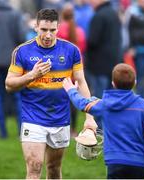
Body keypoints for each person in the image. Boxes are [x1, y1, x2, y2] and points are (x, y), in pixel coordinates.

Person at [5, 8, 97, 179]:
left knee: (54, 169)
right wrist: (32, 75)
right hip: (32, 117)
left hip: (60, 118)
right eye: (44, 30)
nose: (48, 35)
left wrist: (89, 118)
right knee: (34, 167)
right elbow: (9, 85)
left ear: (58, 28)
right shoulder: (22, 51)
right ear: (36, 27)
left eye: (52, 30)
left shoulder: (71, 51)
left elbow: (81, 83)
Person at [62, 63, 144, 179]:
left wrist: (71, 90)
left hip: (114, 161)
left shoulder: (105, 104)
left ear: (113, 83)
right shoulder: (143, 107)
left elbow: (82, 104)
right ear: (135, 83)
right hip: (137, 162)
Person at [86, 0, 121, 129]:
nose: (90, 3)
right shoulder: (114, 13)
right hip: (113, 63)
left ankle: (99, 128)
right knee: (111, 98)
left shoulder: (99, 16)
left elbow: (93, 41)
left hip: (99, 64)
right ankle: (111, 126)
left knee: (99, 99)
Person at [57, 2, 87, 137]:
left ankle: (61, 128)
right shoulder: (79, 30)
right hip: (76, 69)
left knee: (60, 100)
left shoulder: (59, 30)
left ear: (62, 16)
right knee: (72, 99)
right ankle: (73, 129)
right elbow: (83, 48)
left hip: (61, 69)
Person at [0, 0, 26, 138]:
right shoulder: (15, 15)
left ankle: (3, 132)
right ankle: (21, 130)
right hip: (12, 62)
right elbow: (21, 37)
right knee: (17, 95)